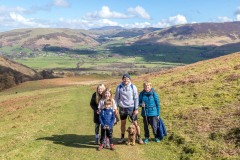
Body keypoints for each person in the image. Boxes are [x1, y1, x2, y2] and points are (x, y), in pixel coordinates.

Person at [115, 73, 143, 144]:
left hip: (131, 108)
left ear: (130, 79)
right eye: (124, 79)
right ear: (122, 79)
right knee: (123, 123)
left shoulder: (133, 87)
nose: (125, 80)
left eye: (127, 79)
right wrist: (115, 108)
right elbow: (116, 99)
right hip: (122, 108)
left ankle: (139, 138)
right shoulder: (119, 87)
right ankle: (122, 138)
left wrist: (136, 109)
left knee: (135, 123)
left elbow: (136, 98)